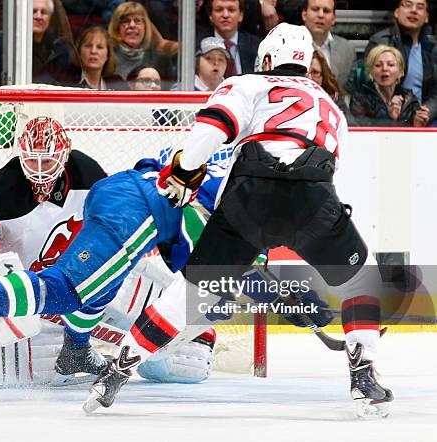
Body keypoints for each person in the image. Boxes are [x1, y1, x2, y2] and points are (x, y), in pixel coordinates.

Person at [86, 23, 393, 418]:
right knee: (361, 279)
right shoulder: (332, 107)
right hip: (312, 200)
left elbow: (212, 129)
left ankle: (115, 371)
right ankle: (363, 374)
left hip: (248, 199)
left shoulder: (248, 83)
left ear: (267, 58)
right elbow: (326, 163)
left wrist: (184, 171)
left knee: (189, 293)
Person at [0, 116, 223, 385]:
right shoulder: (2, 189)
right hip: (36, 288)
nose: (40, 171)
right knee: (34, 350)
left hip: (73, 275)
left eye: (48, 162)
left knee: (186, 359)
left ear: (63, 156)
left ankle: (76, 346)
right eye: (33, 161)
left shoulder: (89, 175)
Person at [365, 0, 437, 125]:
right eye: (408, 5)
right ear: (397, 12)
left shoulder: (432, 48)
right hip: (387, 118)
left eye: (420, 7)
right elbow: (368, 85)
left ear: (426, 17)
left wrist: (426, 112)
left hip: (423, 121)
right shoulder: (381, 42)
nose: (414, 10)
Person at [349, 45, 422, 126]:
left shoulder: (409, 98)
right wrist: (389, 118)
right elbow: (359, 127)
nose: (384, 69)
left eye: (390, 65)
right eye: (378, 65)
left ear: (401, 72)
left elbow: (416, 129)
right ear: (370, 72)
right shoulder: (360, 97)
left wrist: (419, 122)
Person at [107, 2, 176, 87]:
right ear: (116, 27)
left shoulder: (162, 60)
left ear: (145, 27)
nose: (132, 25)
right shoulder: (107, 58)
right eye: (126, 21)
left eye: (137, 21)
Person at [301, 0, 356, 92]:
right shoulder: (290, 46)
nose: (321, 15)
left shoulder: (347, 49)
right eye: (315, 9)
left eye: (326, 11)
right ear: (304, 15)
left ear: (334, 18)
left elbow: (350, 91)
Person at [196, 0, 261, 76]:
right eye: (219, 10)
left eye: (231, 10)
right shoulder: (197, 46)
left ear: (241, 15)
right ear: (210, 16)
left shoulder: (257, 46)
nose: (225, 15)